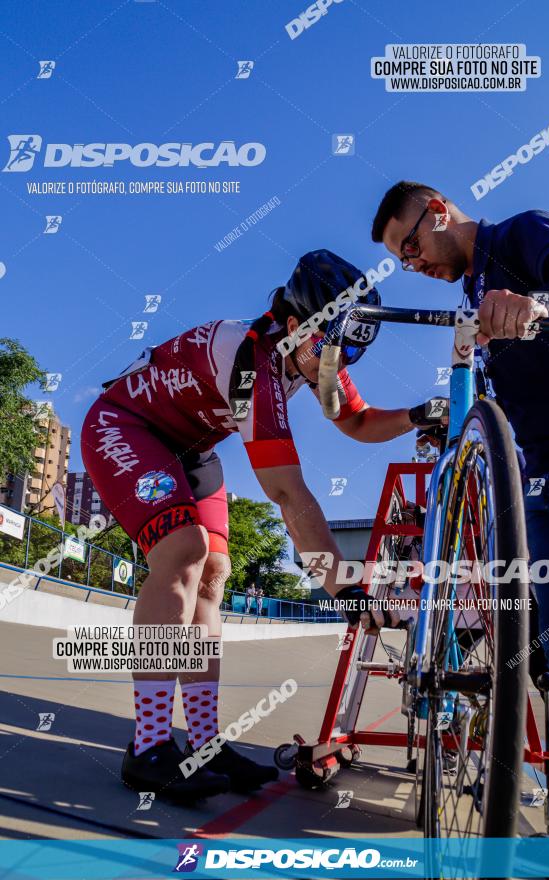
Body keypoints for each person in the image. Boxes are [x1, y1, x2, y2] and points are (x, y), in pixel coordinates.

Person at [81, 249, 443, 804]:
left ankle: (201, 741)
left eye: (351, 352)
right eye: (333, 347)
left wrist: (417, 415)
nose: (338, 364)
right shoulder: (249, 358)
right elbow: (285, 492)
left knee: (214, 573)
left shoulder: (310, 352)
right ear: (298, 325)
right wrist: (341, 585)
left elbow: (359, 421)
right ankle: (149, 746)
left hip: (189, 447)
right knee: (182, 550)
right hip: (127, 427)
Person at [371, 180, 549, 834]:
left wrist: (537, 305)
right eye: (402, 261)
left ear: (437, 209)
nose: (415, 264)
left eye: (410, 245)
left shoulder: (518, 234)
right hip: (539, 479)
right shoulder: (469, 298)